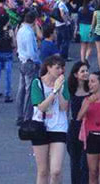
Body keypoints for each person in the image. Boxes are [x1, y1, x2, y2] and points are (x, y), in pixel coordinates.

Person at [31, 54, 70, 184]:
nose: (61, 71)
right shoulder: (37, 83)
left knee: (56, 170)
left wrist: (59, 90)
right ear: (48, 68)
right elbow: (41, 107)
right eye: (57, 68)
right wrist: (53, 91)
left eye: (62, 68)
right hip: (40, 127)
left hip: (58, 127)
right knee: (42, 171)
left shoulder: (64, 84)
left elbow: (64, 107)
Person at [66, 60, 92, 184]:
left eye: (87, 70)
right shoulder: (70, 90)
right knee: (75, 161)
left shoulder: (92, 89)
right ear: (76, 74)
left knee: (87, 162)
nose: (86, 73)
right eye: (82, 71)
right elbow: (65, 111)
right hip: (75, 127)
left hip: (90, 128)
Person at [18, 11, 42, 123]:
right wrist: (37, 61)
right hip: (29, 62)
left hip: (22, 61)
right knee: (30, 91)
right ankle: (27, 116)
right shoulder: (29, 33)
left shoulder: (20, 30)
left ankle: (20, 115)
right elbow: (32, 52)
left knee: (21, 90)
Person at [0, 15, 15, 103]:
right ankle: (7, 95)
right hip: (7, 53)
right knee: (8, 76)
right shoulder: (10, 30)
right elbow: (13, 42)